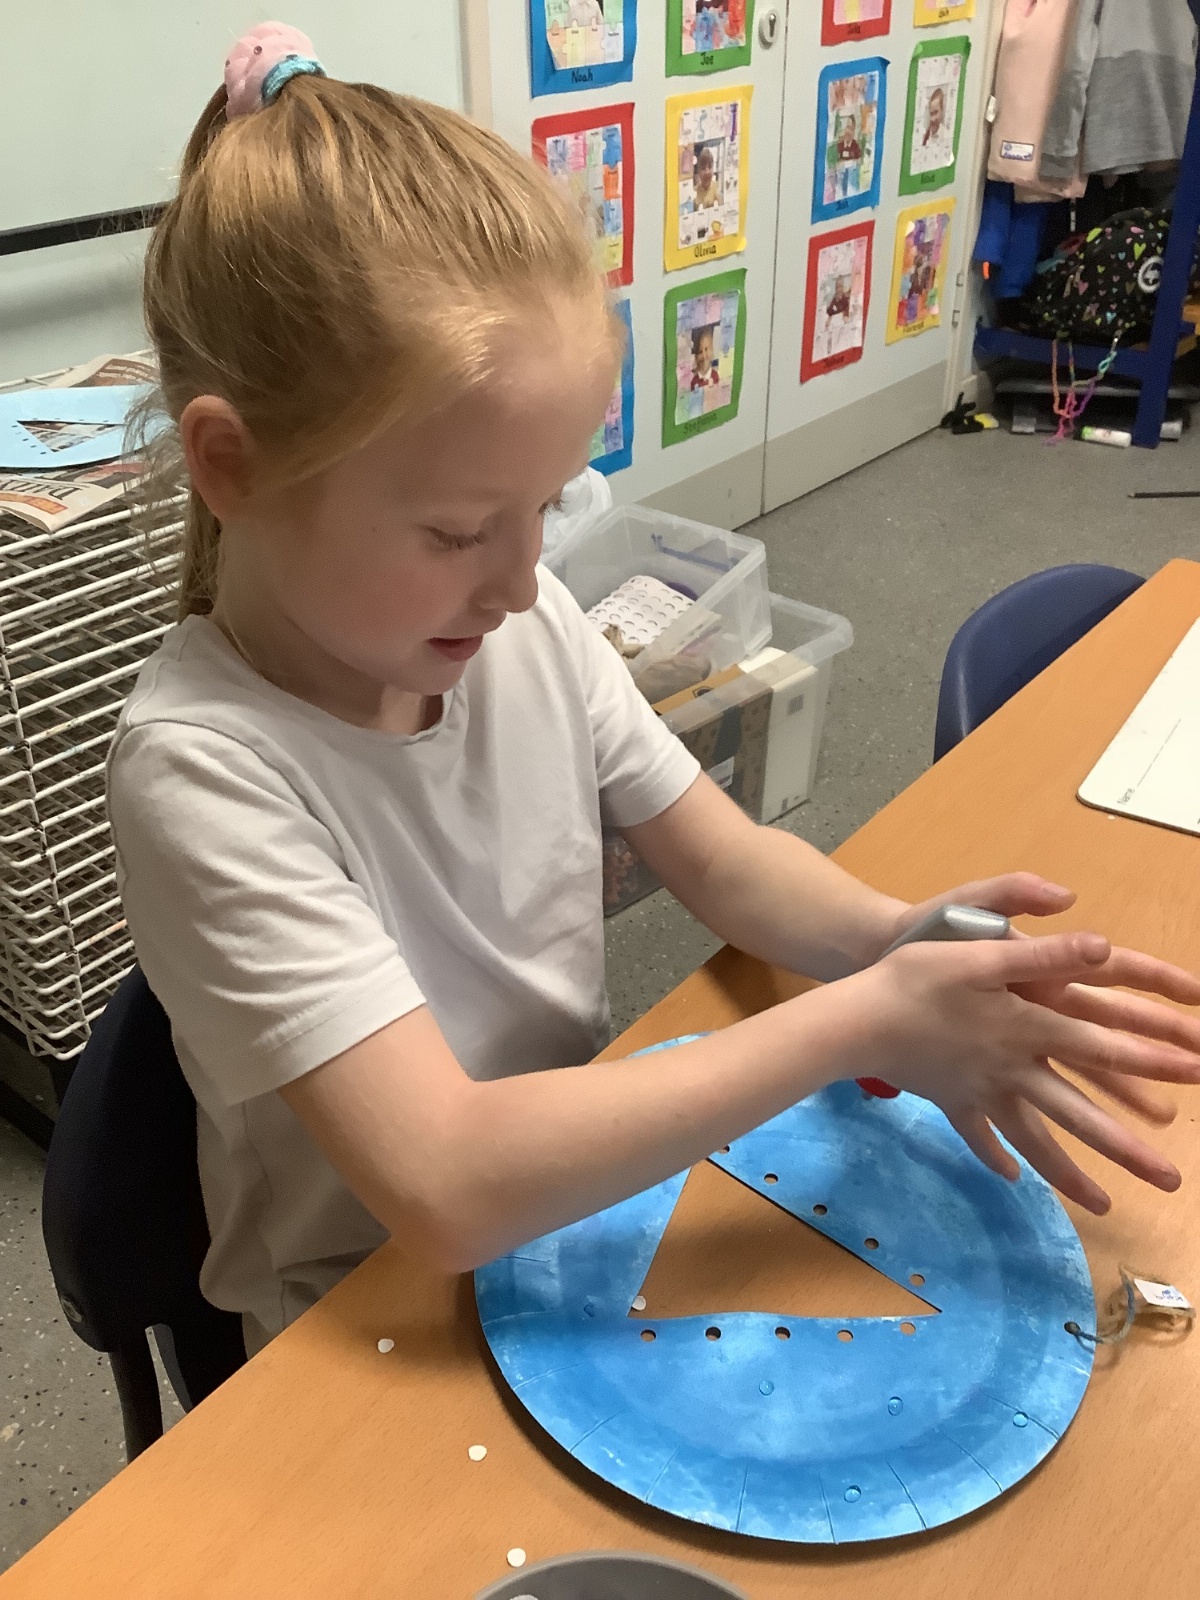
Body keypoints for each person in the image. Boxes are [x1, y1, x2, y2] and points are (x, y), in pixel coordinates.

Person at [111, 22, 1200, 1355]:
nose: (523, 581)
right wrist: (860, 1021)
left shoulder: (513, 627)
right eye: (457, 531)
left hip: (562, 1207)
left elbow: (726, 863)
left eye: (545, 508)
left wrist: (892, 942)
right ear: (230, 466)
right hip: (365, 1315)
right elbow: (446, 1181)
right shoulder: (205, 771)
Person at [692, 143, 722, 209]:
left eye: (710, 167)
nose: (707, 172)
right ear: (698, 171)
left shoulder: (718, 188)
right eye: (703, 168)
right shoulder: (694, 193)